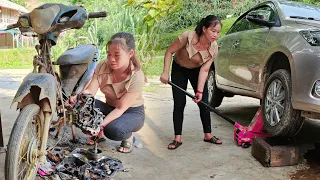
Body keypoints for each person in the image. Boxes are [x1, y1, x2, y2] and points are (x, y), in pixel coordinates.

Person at [70, 32, 145, 153]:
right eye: (109, 54)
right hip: (110, 107)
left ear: (130, 54)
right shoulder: (102, 66)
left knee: (113, 130)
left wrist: (100, 125)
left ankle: (129, 136)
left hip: (131, 113)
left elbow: (120, 109)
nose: (111, 59)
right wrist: (79, 98)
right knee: (81, 106)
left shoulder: (137, 76)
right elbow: (90, 91)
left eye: (117, 55)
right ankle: (99, 135)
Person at [160, 15, 223, 150]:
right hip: (179, 69)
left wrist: (199, 91)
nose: (215, 35)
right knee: (179, 102)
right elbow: (169, 52)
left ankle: (208, 134)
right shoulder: (187, 37)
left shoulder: (214, 48)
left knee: (204, 102)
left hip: (197, 70)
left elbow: (205, 70)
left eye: (218, 32)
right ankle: (178, 138)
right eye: (213, 31)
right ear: (204, 29)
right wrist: (165, 72)